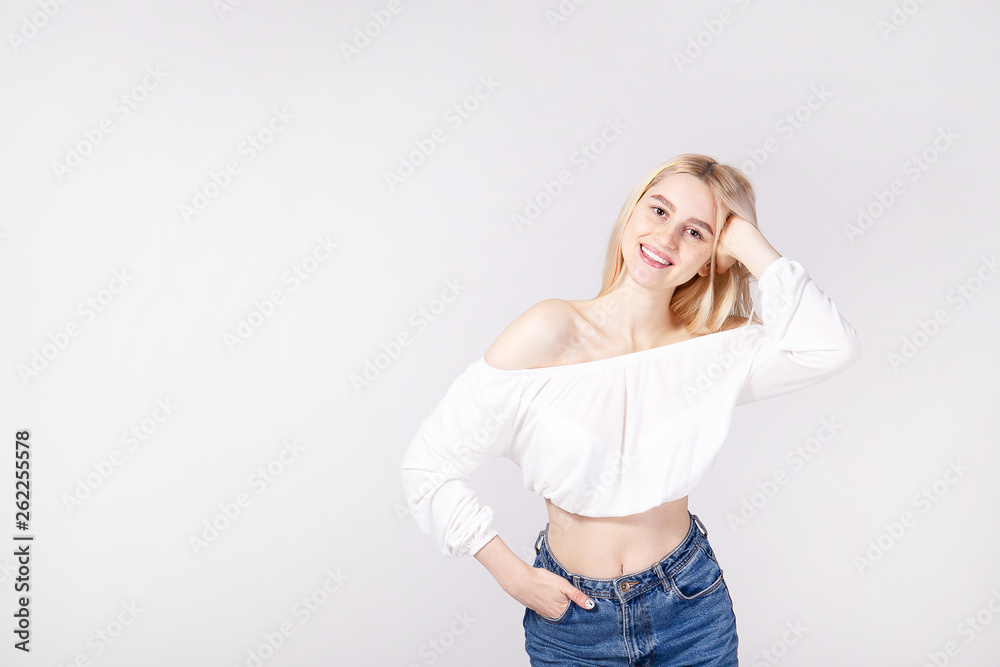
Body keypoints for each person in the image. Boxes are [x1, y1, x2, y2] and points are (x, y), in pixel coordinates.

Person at [400, 153, 861, 665]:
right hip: (573, 622)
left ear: (712, 258)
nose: (666, 238)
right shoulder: (550, 331)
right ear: (631, 213)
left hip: (690, 608)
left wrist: (747, 241)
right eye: (659, 211)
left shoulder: (715, 349)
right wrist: (514, 577)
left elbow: (830, 347)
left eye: (695, 232)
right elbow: (428, 465)